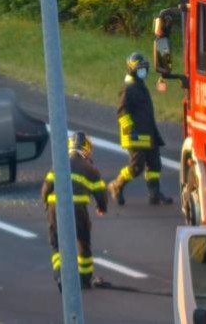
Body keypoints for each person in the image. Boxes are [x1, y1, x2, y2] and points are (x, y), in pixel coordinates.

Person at [42, 132, 109, 290]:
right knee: (83, 242)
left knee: (57, 246)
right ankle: (85, 279)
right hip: (78, 211)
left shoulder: (59, 163)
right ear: (87, 148)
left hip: (55, 210)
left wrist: (46, 203)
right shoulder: (90, 168)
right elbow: (101, 193)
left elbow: (46, 186)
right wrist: (102, 207)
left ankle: (60, 276)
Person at [106, 52, 173, 205]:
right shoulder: (128, 89)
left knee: (155, 165)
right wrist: (131, 130)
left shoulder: (140, 86)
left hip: (149, 134)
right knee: (136, 167)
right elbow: (122, 113)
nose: (143, 71)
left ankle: (154, 194)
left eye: (145, 68)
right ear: (131, 69)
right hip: (135, 136)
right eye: (140, 68)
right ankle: (116, 185)